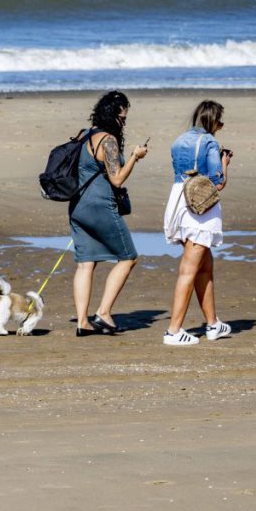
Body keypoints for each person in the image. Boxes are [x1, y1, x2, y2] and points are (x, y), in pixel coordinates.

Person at [69, 91, 148, 337]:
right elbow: (117, 179)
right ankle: (103, 313)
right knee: (128, 257)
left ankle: (82, 321)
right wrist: (135, 156)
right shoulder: (108, 141)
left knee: (85, 264)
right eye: (123, 118)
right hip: (100, 206)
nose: (124, 122)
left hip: (77, 206)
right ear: (114, 115)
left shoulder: (84, 135)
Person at [161, 100, 232, 346]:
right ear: (213, 120)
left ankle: (213, 325)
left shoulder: (179, 140)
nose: (220, 127)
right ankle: (173, 330)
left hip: (179, 198)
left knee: (204, 267)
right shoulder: (210, 142)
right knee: (189, 270)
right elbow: (217, 181)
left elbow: (179, 171)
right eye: (220, 122)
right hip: (200, 205)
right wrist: (225, 164)